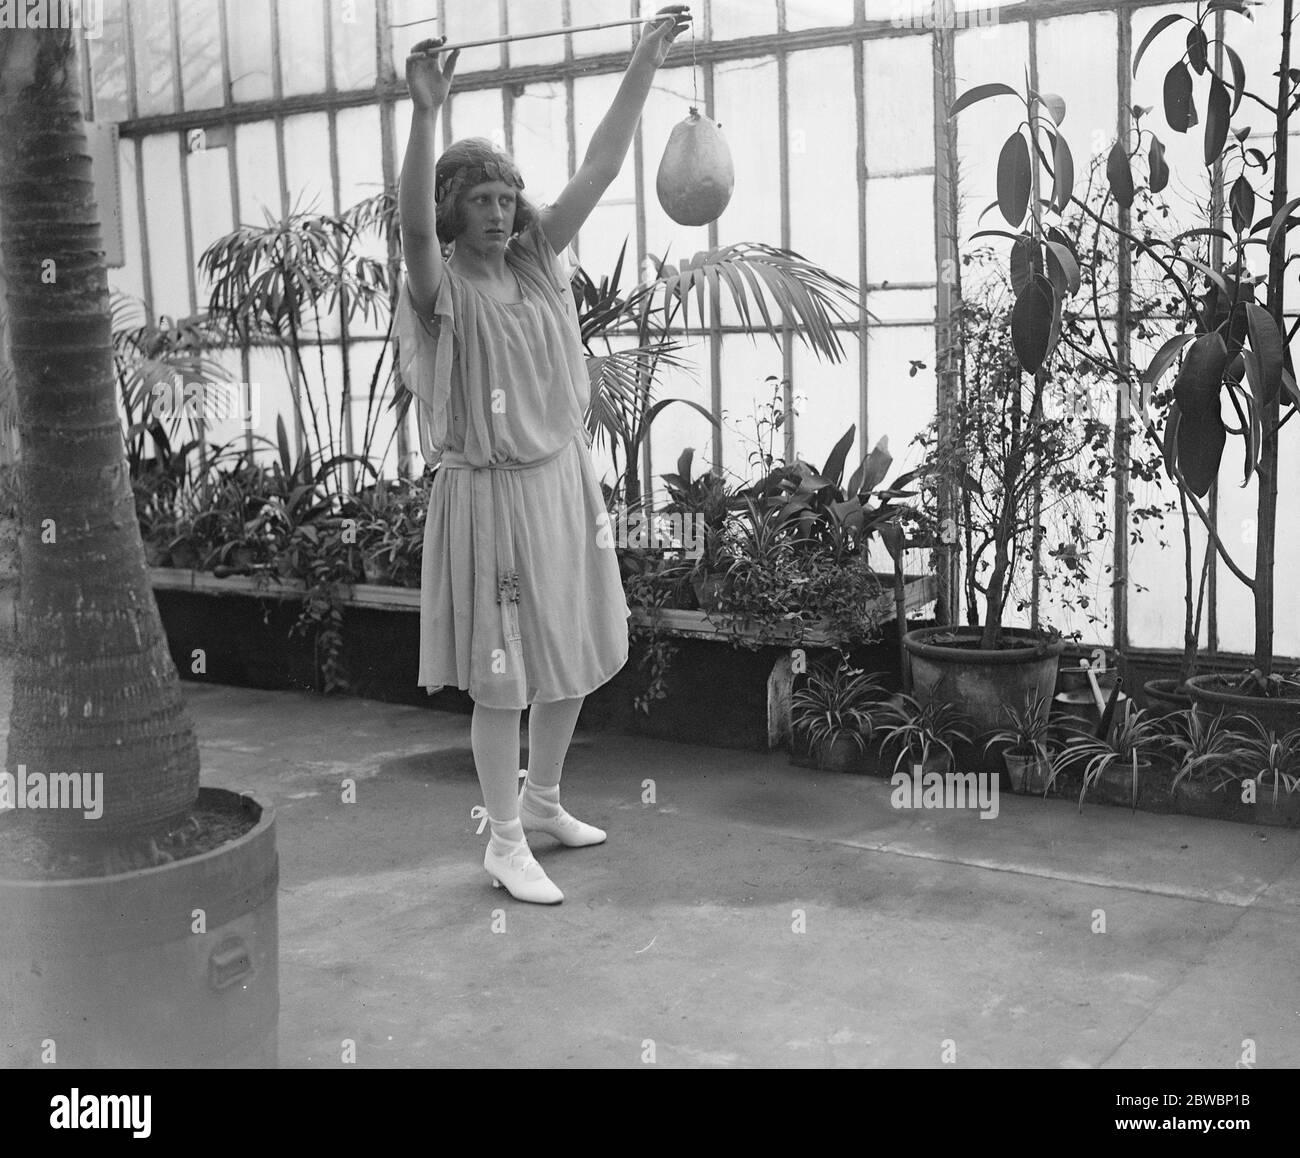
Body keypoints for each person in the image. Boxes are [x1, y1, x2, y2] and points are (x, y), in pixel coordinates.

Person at [398, 6, 692, 905]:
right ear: (453, 210)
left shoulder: (532, 263)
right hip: (489, 497)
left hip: (561, 483)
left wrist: (645, 58)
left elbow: (601, 166)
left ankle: (546, 801)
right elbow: (409, 226)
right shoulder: (439, 284)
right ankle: (501, 841)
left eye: (503, 198)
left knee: (570, 650)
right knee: (503, 678)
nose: (495, 212)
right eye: (477, 201)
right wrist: (424, 112)